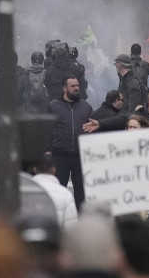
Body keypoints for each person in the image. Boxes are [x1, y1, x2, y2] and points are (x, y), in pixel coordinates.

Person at [48, 75, 93, 206]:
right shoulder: (53, 106)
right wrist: (48, 149)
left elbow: (90, 129)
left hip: (80, 155)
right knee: (59, 188)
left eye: (77, 86)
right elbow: (48, 129)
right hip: (60, 154)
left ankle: (81, 220)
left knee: (81, 190)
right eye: (72, 86)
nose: (76, 88)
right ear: (64, 88)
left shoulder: (86, 107)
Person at [27, 153, 78, 227]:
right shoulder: (66, 194)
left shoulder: (25, 190)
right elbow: (71, 228)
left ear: (34, 169)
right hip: (56, 236)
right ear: (54, 170)